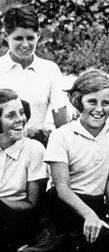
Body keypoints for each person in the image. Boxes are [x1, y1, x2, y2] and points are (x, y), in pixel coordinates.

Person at [44, 69, 109, 252]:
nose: (99, 109)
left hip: (96, 204)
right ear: (78, 101)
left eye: (106, 103)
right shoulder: (61, 135)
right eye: (92, 101)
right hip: (64, 205)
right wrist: (89, 215)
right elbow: (62, 188)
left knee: (106, 238)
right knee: (56, 244)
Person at [0, 5, 68, 129]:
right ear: (5, 36)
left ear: (39, 35)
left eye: (30, 38)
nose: (25, 45)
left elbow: (62, 125)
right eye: (18, 38)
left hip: (39, 145)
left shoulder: (50, 70)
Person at [0, 88, 48, 251]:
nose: (20, 119)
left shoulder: (34, 149)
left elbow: (33, 205)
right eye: (11, 115)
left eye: (21, 112)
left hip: (18, 222)